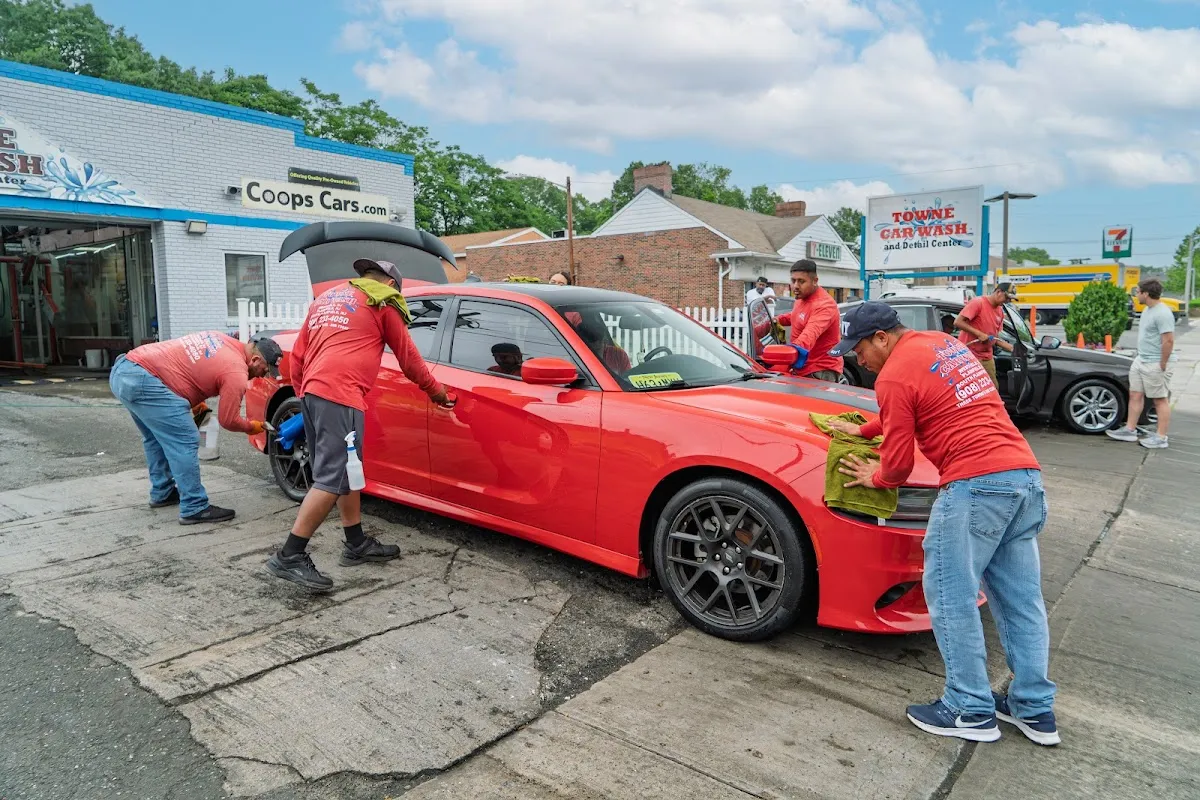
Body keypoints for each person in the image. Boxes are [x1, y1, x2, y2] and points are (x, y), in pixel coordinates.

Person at [829, 302, 1059, 747]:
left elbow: (897, 466)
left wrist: (874, 477)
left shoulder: (892, 375)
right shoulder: (942, 345)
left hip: (976, 486)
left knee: (951, 595)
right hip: (1025, 480)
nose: (858, 359)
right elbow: (923, 401)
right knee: (1021, 601)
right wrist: (865, 430)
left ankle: (968, 708)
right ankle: (1033, 708)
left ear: (882, 338)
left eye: (859, 349)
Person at [266, 258, 455, 591]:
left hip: (313, 392)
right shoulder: (383, 301)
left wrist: (304, 395)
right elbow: (409, 359)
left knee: (347, 470)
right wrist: (437, 392)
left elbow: (298, 354)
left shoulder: (327, 299)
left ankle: (356, 543)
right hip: (341, 395)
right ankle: (290, 555)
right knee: (332, 479)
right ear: (392, 284)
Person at [110, 331, 281, 524]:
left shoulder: (222, 339)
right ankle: (194, 506)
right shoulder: (236, 372)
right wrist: (251, 427)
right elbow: (228, 420)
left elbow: (191, 365)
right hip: (144, 379)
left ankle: (162, 492)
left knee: (155, 438)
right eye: (265, 371)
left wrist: (196, 401)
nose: (263, 376)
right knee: (185, 438)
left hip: (125, 369)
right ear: (255, 360)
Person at [1107, 278, 1175, 448]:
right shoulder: (1147, 310)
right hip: (1141, 359)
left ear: (1146, 293)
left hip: (1155, 363)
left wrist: (1163, 363)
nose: (1136, 295)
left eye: (1137, 292)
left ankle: (1161, 438)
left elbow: (1168, 340)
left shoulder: (1162, 313)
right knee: (1135, 394)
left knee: (1159, 400)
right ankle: (1130, 430)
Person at [775, 259, 843, 381]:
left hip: (819, 371)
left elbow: (809, 335)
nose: (796, 286)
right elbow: (798, 316)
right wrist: (776, 320)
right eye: (793, 281)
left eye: (801, 281)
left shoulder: (824, 305)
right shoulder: (802, 297)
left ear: (815, 281)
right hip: (802, 367)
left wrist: (785, 353)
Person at [954, 283, 1017, 384]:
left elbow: (995, 338)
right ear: (998, 292)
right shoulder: (978, 303)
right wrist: (979, 334)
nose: (1008, 301)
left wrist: (1012, 349)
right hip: (969, 356)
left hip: (987, 357)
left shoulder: (1000, 312)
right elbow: (958, 322)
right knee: (972, 388)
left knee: (992, 388)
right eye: (1007, 298)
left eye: (1010, 299)